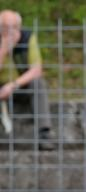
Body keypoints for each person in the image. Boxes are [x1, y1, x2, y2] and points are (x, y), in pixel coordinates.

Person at [0, 10, 54, 150]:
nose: (9, 32)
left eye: (14, 27)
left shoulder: (28, 38)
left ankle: (45, 134)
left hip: (18, 86)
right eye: (5, 28)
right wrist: (4, 49)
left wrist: (13, 85)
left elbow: (36, 70)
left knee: (38, 83)